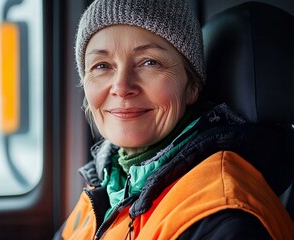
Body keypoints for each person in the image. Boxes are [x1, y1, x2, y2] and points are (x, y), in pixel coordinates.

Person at [54, 0, 294, 239]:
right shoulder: (108, 183)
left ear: (191, 87)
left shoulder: (223, 214)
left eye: (150, 62)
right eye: (102, 65)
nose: (121, 86)